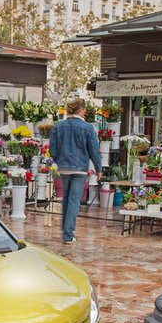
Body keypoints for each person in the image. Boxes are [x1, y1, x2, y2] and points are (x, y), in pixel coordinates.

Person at [48, 98, 102, 245]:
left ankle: (66, 231)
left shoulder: (58, 126)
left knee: (66, 199)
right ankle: (68, 234)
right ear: (80, 110)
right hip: (80, 168)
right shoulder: (88, 128)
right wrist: (99, 169)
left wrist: (59, 160)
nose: (85, 112)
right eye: (84, 109)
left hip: (64, 168)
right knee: (73, 200)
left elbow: (52, 148)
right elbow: (94, 150)